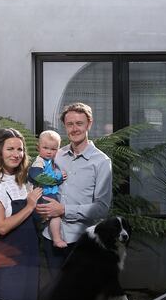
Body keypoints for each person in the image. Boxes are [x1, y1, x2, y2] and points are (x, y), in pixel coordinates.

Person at [35, 102, 112, 273]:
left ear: (89, 124)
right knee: (56, 293)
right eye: (70, 124)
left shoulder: (101, 162)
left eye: (79, 123)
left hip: (81, 241)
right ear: (64, 126)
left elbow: (102, 208)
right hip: (51, 238)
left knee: (79, 295)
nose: (74, 129)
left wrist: (63, 209)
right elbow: (41, 180)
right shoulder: (57, 155)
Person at [0, 128, 43, 300]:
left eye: (20, 149)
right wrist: (30, 206)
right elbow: (1, 227)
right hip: (8, 255)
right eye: (10, 149)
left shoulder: (24, 180)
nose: (16, 154)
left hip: (30, 254)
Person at [29, 129, 67, 248]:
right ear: (38, 147)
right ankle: (56, 239)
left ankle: (51, 238)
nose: (49, 152)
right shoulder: (39, 162)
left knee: (52, 217)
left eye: (53, 149)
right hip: (43, 194)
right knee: (55, 215)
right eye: (45, 148)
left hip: (49, 193)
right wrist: (58, 177)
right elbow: (38, 176)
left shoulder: (50, 161)